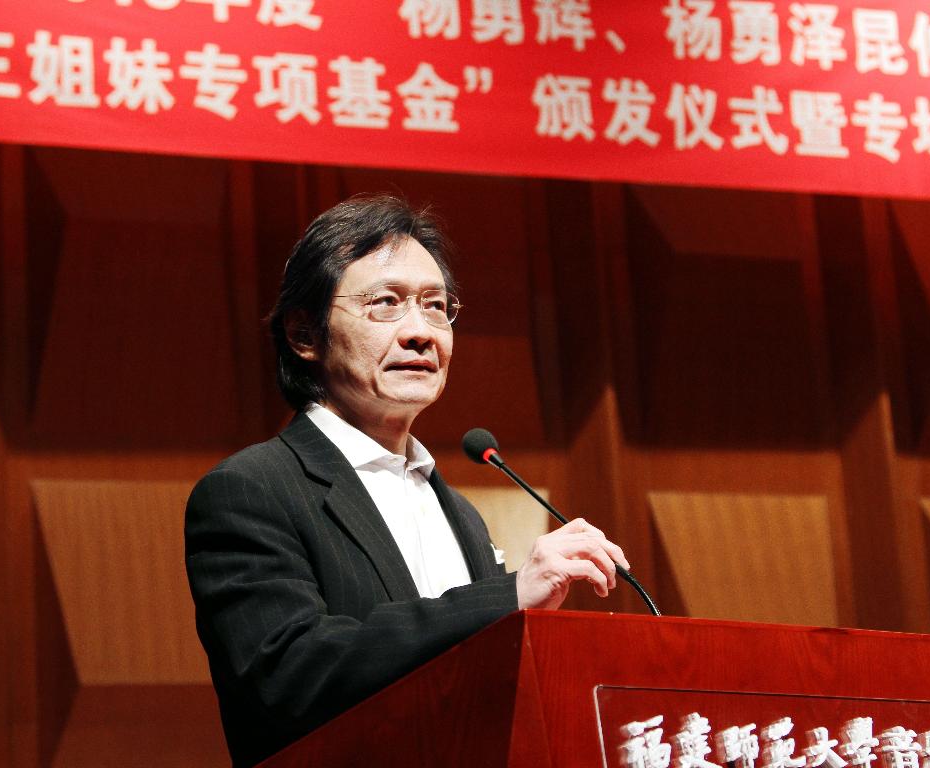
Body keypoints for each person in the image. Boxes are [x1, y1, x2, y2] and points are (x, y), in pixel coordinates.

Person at [184, 194, 630, 766]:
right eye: (386, 303)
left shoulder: (460, 513)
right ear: (304, 334)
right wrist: (507, 596)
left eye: (436, 306)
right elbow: (290, 676)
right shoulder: (251, 490)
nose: (421, 333)